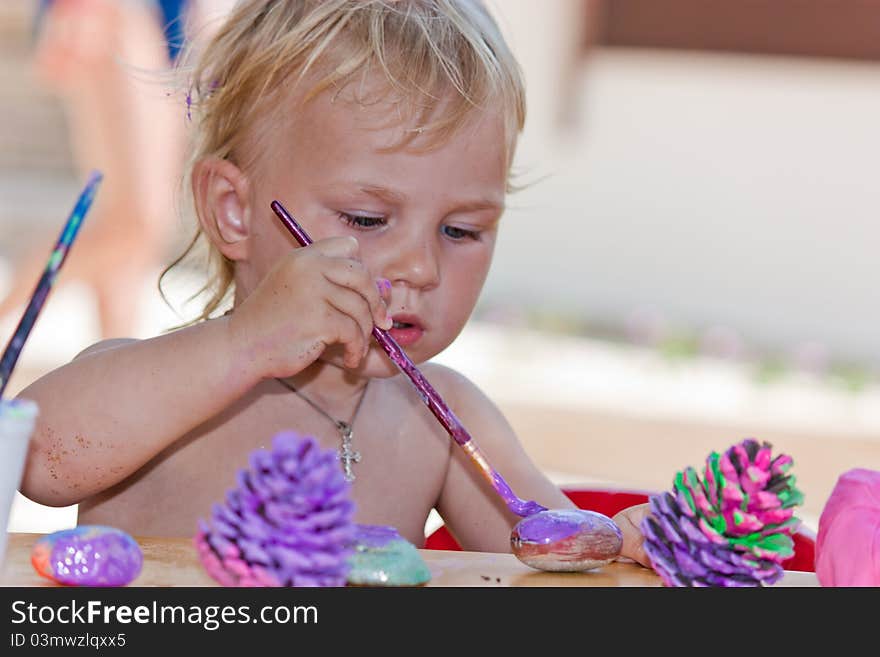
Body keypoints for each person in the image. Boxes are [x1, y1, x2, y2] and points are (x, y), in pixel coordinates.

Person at [16, 0, 651, 564]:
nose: (421, 269)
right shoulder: (159, 390)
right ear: (236, 211)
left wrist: (623, 543)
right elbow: (40, 458)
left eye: (460, 231)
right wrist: (243, 344)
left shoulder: (447, 425)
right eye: (368, 219)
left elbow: (552, 545)